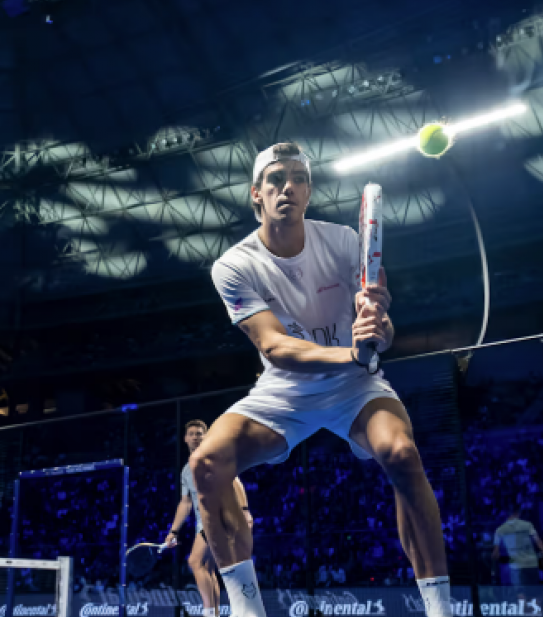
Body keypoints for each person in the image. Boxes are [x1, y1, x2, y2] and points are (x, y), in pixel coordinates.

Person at [190, 143, 452, 617]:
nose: (286, 186)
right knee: (205, 465)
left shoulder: (346, 242)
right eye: (274, 179)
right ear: (256, 194)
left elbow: (383, 335)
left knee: (401, 454)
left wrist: (380, 327)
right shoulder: (232, 266)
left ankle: (440, 610)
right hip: (283, 392)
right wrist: (351, 352)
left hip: (355, 387)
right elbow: (274, 348)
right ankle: (246, 611)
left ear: (309, 191)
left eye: (297, 178)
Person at [163, 420, 253, 617]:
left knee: (194, 562)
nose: (195, 436)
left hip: (219, 517)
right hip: (201, 523)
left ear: (206, 436)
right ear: (186, 439)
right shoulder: (186, 470)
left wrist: (245, 510)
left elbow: (235, 480)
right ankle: (215, 614)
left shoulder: (213, 457)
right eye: (192, 433)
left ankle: (209, 613)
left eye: (199, 433)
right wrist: (173, 531)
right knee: (207, 568)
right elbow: (185, 503)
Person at [491, 506, 543, 586]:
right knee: (534, 592)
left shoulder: (500, 530)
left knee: (521, 594)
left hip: (516, 566)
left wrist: (493, 568)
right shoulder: (528, 525)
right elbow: (538, 541)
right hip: (531, 563)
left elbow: (495, 553)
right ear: (518, 513)